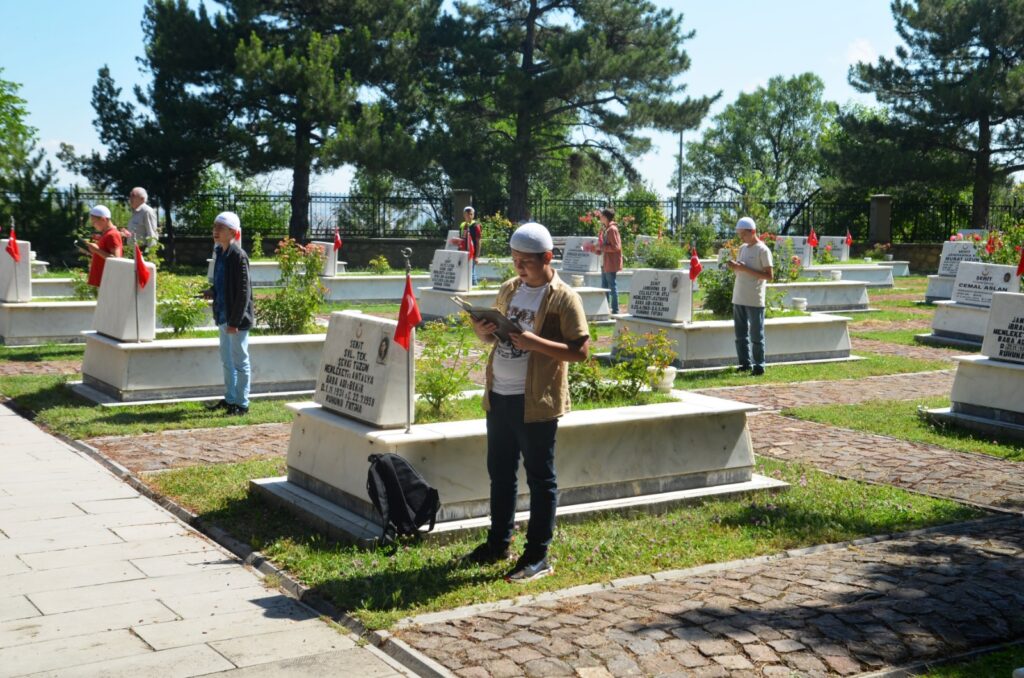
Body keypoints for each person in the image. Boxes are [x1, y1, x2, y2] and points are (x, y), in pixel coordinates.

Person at [460, 222, 590, 582]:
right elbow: (495, 341)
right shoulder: (510, 289)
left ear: (548, 258)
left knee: (540, 478)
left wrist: (535, 343)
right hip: (499, 396)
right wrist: (482, 330)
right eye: (515, 259)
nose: (519, 267)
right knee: (500, 474)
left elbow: (580, 352)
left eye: (527, 261)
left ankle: (538, 556)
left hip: (535, 401)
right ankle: (498, 542)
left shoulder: (564, 297)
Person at [203, 212, 254, 416]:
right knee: (227, 361)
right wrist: (212, 292)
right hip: (223, 315)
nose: (215, 231)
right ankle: (230, 398)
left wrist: (235, 321)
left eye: (220, 228)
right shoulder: (220, 252)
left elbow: (243, 292)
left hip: (236, 320)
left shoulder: (238, 256)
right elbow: (221, 283)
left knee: (240, 362)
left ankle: (242, 404)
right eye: (214, 227)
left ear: (232, 232)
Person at [726, 216, 773, 376]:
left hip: (754, 298)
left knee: (756, 335)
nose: (742, 237)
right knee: (740, 335)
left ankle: (759, 365)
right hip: (739, 295)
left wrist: (745, 269)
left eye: (744, 234)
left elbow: (769, 275)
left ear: (753, 232)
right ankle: (744, 364)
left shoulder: (763, 250)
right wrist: (735, 267)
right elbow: (742, 269)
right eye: (740, 234)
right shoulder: (742, 248)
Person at [78, 205, 123, 288]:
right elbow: (104, 254)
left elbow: (117, 260)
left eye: (94, 222)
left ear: (103, 219)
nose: (93, 225)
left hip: (107, 280)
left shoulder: (112, 234)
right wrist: (91, 251)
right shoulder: (106, 234)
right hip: (103, 280)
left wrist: (97, 250)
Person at [594, 207, 622, 314]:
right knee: (604, 287)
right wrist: (597, 250)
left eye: (601, 216)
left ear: (606, 217)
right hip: (604, 262)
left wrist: (602, 248)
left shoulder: (612, 230)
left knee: (612, 286)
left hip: (610, 263)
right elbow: (605, 245)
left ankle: (615, 310)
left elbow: (616, 247)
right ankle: (605, 310)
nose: (600, 217)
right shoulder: (605, 229)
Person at [125, 187, 159, 253]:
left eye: (133, 195)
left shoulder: (147, 211)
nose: (130, 198)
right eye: (130, 195)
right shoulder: (135, 212)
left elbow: (152, 235)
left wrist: (148, 254)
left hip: (142, 252)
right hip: (133, 252)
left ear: (142, 199)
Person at [460, 206, 482, 285]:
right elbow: (462, 238)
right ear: (464, 215)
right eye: (466, 214)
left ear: (473, 215)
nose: (468, 216)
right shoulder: (462, 225)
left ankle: (474, 286)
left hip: (472, 253)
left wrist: (477, 256)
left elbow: (478, 241)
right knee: (466, 272)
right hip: (463, 252)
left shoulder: (476, 225)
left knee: (471, 273)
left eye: (470, 214)